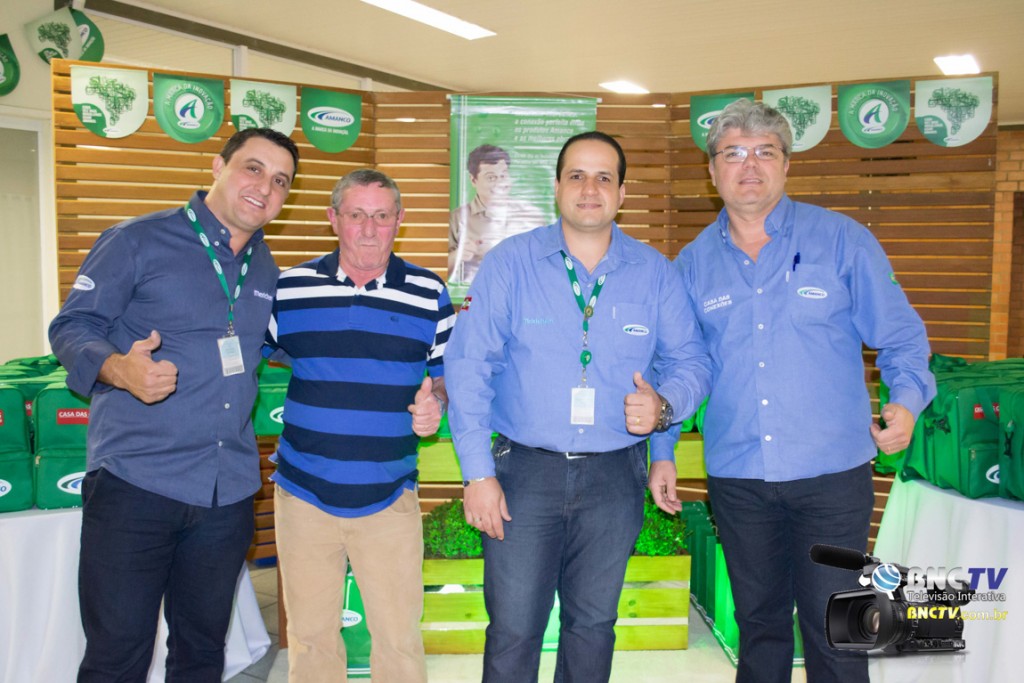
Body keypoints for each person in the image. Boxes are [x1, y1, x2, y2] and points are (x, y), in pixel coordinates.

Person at [675, 99, 937, 682]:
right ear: (712, 170)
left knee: (837, 632)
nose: (749, 165)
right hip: (739, 479)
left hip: (831, 478)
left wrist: (905, 401)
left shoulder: (842, 240)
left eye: (764, 151)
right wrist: (664, 450)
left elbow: (901, 337)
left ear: (787, 164)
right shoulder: (691, 265)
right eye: (733, 153)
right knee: (759, 628)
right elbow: (683, 366)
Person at [445, 131, 711, 682]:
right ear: (557, 187)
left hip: (615, 476)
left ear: (622, 193)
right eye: (577, 176)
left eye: (604, 177)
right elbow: (469, 367)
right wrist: (477, 474)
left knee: (593, 627)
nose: (590, 189)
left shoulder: (654, 273)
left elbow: (689, 362)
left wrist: (663, 416)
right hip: (523, 474)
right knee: (514, 629)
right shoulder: (511, 264)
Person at [48, 127, 299, 682]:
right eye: (253, 168)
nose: (265, 187)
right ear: (218, 167)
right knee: (117, 655)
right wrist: (119, 368)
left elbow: (292, 347)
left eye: (281, 181)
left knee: (202, 653)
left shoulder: (265, 269)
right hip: (136, 483)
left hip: (227, 492)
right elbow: (72, 326)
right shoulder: (136, 240)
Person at [263, 168, 455, 682]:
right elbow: (254, 352)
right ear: (334, 219)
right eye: (356, 215)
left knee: (399, 640)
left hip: (389, 494)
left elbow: (444, 377)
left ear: (399, 220)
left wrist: (436, 403)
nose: (369, 229)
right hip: (303, 493)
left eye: (382, 216)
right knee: (311, 639)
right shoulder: (290, 288)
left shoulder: (428, 292)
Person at [448, 144, 549, 282]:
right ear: (473, 180)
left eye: (503, 175)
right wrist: (457, 255)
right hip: (474, 292)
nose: (500, 183)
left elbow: (546, 264)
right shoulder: (457, 218)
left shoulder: (531, 215)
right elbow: (438, 270)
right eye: (491, 177)